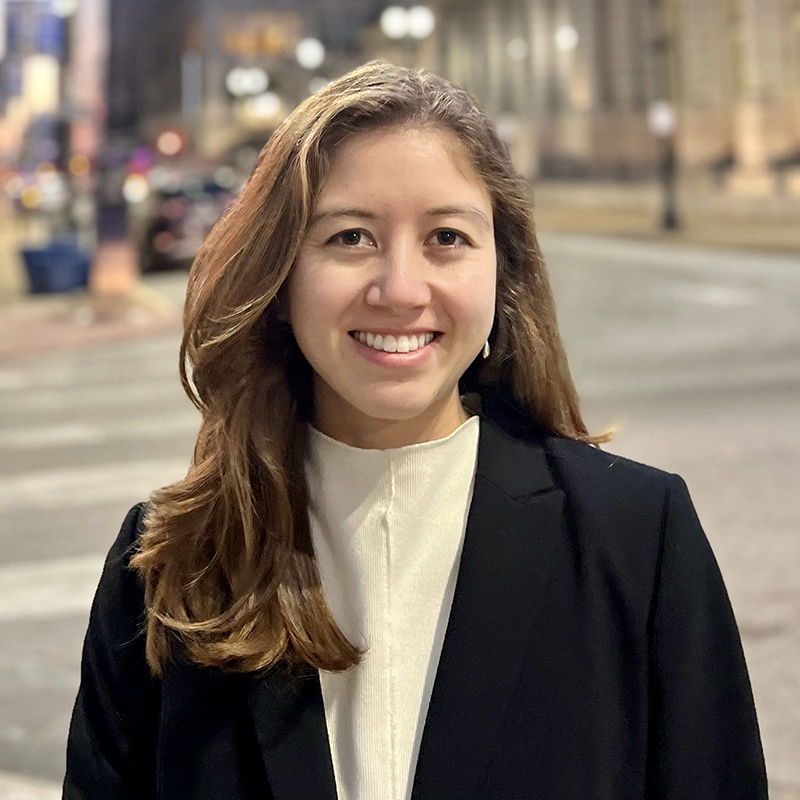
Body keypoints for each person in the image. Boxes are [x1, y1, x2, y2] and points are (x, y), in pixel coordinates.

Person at [63, 61, 767, 800]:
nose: (400, 288)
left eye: (447, 238)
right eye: (351, 237)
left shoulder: (635, 540)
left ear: (503, 273)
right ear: (278, 282)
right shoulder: (172, 565)